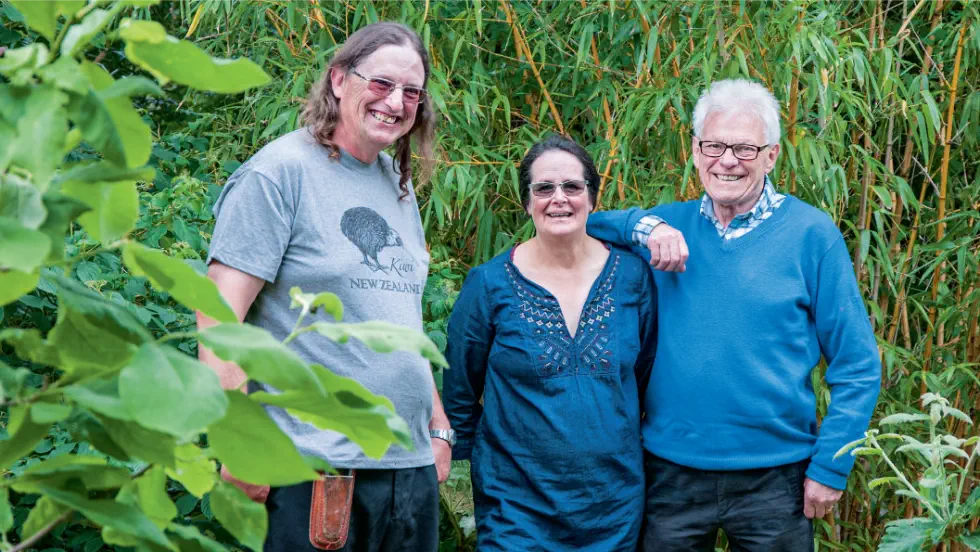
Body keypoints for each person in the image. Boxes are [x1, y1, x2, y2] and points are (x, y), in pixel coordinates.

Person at [587, 78, 882, 551]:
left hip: (776, 478)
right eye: (714, 145)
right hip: (671, 471)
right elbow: (581, 222)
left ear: (772, 155)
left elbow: (858, 363)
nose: (727, 160)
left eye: (745, 148)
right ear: (695, 149)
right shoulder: (667, 228)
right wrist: (642, 224)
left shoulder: (811, 235)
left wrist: (831, 466)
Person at [197, 22, 452, 552]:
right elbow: (219, 318)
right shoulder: (278, 174)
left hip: (408, 472)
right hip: (314, 469)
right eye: (380, 83)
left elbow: (398, 317)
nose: (396, 101)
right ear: (338, 80)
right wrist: (240, 445)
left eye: (411, 91)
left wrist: (436, 424)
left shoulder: (397, 186)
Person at [444, 135, 658, 551]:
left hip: (614, 505)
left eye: (572, 187)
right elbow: (460, 391)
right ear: (527, 202)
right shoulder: (488, 285)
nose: (558, 199)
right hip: (517, 508)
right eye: (544, 188)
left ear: (592, 198)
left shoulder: (633, 278)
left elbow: (647, 380)